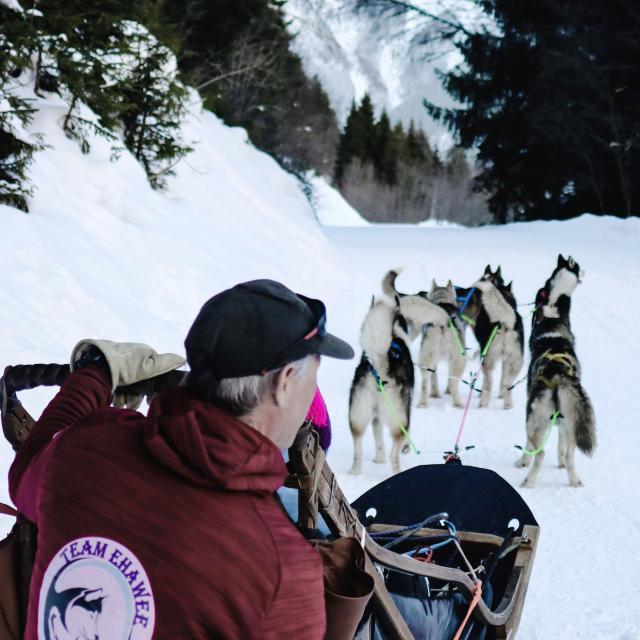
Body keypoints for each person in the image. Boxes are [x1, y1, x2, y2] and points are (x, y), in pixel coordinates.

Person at [8, 279, 354, 639]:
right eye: (314, 372)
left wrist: (97, 372)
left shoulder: (85, 449)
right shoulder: (282, 571)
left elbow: (27, 469)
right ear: (284, 381)